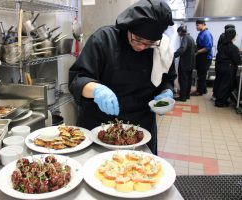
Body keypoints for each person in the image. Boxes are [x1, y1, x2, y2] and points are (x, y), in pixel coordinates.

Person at [68, 0, 176, 155]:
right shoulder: (104, 39)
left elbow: (167, 79)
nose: (141, 47)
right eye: (137, 39)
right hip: (99, 124)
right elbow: (77, 79)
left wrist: (166, 93)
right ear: (128, 28)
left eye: (149, 43)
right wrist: (97, 90)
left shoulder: (162, 48)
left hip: (141, 128)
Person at [214, 28, 240, 107]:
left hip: (219, 67)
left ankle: (218, 99)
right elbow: (237, 61)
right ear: (232, 36)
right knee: (225, 86)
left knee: (220, 83)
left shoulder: (221, 46)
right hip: (228, 69)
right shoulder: (233, 47)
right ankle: (220, 102)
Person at [174, 25, 196, 102]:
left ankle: (182, 97)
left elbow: (182, 49)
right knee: (188, 80)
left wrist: (173, 55)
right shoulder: (191, 38)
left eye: (178, 33)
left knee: (183, 80)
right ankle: (187, 95)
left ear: (180, 32)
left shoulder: (185, 38)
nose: (178, 35)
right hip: (191, 63)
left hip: (185, 64)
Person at [213, 24, 236, 99]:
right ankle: (220, 100)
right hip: (225, 65)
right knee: (224, 83)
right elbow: (230, 51)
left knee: (219, 80)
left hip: (219, 63)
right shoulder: (225, 39)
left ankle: (216, 95)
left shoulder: (222, 37)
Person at [191, 19, 213, 96]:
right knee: (201, 74)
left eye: (197, 25)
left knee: (201, 75)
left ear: (203, 24)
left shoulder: (206, 34)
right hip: (201, 57)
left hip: (205, 57)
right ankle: (204, 90)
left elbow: (208, 47)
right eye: (196, 25)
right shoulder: (201, 33)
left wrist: (197, 52)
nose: (196, 27)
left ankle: (199, 91)